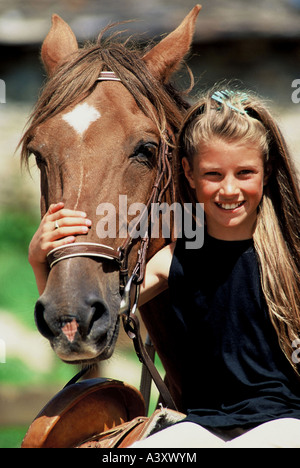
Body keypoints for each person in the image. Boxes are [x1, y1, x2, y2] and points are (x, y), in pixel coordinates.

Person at [28, 85, 300, 447]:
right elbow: (89, 317)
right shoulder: (177, 260)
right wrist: (38, 260)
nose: (229, 189)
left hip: (283, 424)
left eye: (245, 173)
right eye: (214, 175)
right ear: (188, 173)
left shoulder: (289, 257)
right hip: (203, 429)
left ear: (266, 174)